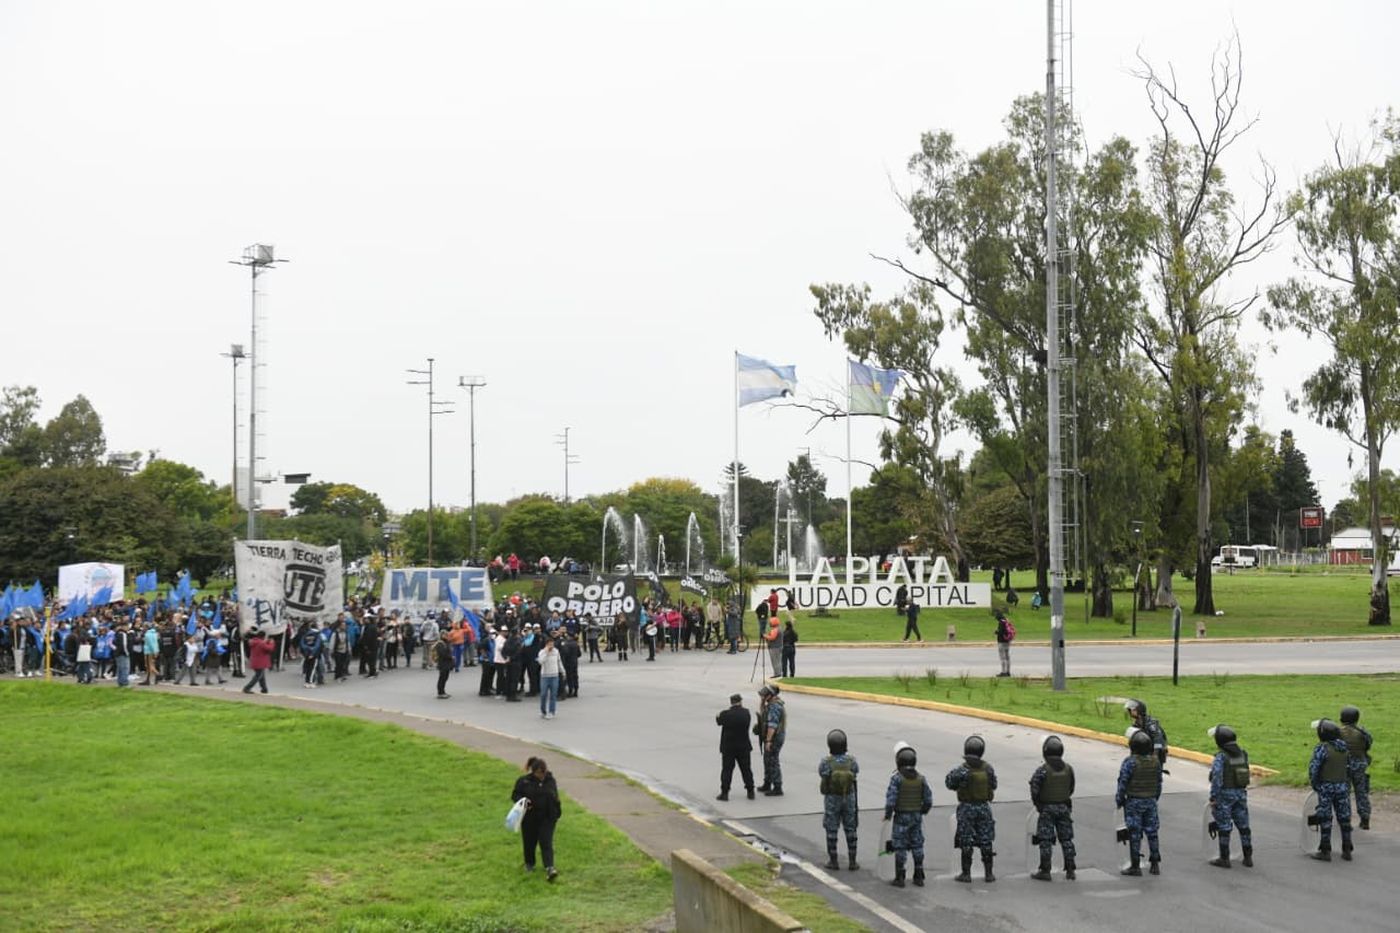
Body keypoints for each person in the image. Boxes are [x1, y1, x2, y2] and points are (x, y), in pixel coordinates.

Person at [946, 735, 998, 882]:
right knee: (986, 839)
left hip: (967, 808)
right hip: (984, 807)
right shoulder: (988, 769)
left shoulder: (962, 770)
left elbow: (949, 783)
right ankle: (989, 873)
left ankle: (966, 873)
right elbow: (993, 785)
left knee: (966, 840)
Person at [1308, 718, 1361, 861]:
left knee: (1325, 818)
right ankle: (1347, 848)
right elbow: (1350, 768)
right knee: (1344, 818)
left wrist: (1315, 784)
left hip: (1326, 787)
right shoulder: (1344, 749)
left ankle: (1325, 850)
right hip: (1342, 787)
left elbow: (1314, 769)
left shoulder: (1322, 748)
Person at [1029, 735, 1077, 881]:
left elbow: (1034, 790)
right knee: (1067, 839)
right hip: (1063, 807)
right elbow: (1071, 788)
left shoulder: (1042, 770)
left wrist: (1039, 805)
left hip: (1047, 809)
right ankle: (1070, 869)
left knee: (1045, 840)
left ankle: (1045, 870)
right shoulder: (1069, 769)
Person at [883, 743, 931, 887]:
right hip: (916, 816)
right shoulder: (921, 779)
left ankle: (900, 877)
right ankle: (918, 874)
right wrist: (921, 811)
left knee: (900, 846)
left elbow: (891, 800)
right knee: (917, 845)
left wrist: (888, 815)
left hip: (901, 817)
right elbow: (928, 799)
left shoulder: (897, 779)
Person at [1116, 729, 1163, 876]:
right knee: (1152, 832)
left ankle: (1135, 866)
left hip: (1134, 801)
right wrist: (1154, 798)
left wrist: (1119, 799)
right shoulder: (1156, 762)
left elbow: (1122, 782)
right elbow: (1159, 783)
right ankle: (1155, 863)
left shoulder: (1130, 762)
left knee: (1135, 833)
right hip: (1150, 800)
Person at [1206, 724, 1253, 868]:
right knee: (1244, 826)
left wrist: (1213, 797)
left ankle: (1224, 858)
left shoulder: (1221, 757)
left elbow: (1216, 778)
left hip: (1225, 795)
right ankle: (1248, 857)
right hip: (1240, 794)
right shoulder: (1242, 753)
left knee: (1224, 827)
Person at [512, 756, 562, 882]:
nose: (542, 775)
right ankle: (529, 864)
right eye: (540, 773)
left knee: (546, 842)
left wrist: (556, 811)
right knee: (529, 841)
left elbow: (555, 796)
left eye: (544, 772)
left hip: (547, 818)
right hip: (529, 818)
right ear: (533, 772)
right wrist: (523, 802)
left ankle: (550, 867)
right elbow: (515, 795)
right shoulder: (524, 782)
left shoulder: (550, 781)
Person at [819, 729, 859, 871]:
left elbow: (822, 774)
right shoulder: (851, 761)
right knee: (851, 828)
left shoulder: (826, 762)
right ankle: (853, 861)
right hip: (849, 797)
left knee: (831, 828)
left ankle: (833, 860)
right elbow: (855, 772)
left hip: (832, 798)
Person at [715, 692, 755, 801]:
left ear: (731, 702)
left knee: (727, 770)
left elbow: (718, 721)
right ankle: (750, 791)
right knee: (746, 769)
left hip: (728, 747)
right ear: (740, 702)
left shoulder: (725, 714)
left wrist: (719, 715)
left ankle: (724, 793)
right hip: (743, 746)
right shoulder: (746, 713)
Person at [1338, 706, 1373, 831]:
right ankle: (1365, 819)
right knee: (1361, 792)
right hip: (1360, 765)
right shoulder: (1362, 732)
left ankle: (1345, 819)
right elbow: (1368, 745)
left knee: (1344, 793)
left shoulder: (1338, 732)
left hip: (1344, 765)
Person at [757, 684, 786, 796]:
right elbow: (763, 714)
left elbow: (772, 726)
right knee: (767, 760)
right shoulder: (770, 704)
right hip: (772, 737)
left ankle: (777, 787)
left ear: (771, 695)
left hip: (774, 738)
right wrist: (762, 702)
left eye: (765, 695)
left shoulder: (775, 707)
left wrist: (768, 741)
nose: (762, 696)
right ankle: (767, 783)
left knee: (773, 761)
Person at [1124, 699, 1169, 767]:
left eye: (1133, 710)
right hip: (1143, 755)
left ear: (1139, 710)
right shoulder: (1137, 723)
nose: (1130, 711)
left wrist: (1154, 758)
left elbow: (1158, 742)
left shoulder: (1151, 724)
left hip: (1154, 756)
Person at [243, 628, 275, 694]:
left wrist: (266, 642)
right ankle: (247, 688)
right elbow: (269, 649)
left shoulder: (254, 641)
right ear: (263, 636)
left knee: (261, 675)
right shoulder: (261, 643)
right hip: (260, 662)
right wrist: (272, 643)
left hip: (255, 661)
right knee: (258, 676)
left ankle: (264, 689)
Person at [538, 636, 561, 719]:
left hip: (554, 675)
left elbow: (559, 662)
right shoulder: (542, 652)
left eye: (552, 644)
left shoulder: (556, 651)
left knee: (553, 695)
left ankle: (551, 711)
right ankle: (543, 710)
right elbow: (541, 661)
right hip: (545, 676)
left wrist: (562, 671)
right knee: (543, 694)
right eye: (549, 644)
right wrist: (547, 652)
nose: (551, 646)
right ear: (546, 644)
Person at [299, 623, 322, 689]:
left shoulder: (305, 634)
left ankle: (306, 682)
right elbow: (318, 645)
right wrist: (312, 652)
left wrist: (306, 650)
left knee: (308, 668)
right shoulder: (317, 635)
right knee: (312, 669)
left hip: (306, 654)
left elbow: (302, 644)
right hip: (314, 654)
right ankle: (311, 682)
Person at [432, 633, 453, 699]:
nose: (447, 636)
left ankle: (443, 691)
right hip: (442, 663)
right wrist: (450, 657)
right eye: (445, 635)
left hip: (446, 663)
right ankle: (440, 692)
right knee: (442, 678)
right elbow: (442, 654)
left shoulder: (447, 642)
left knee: (445, 678)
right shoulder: (440, 644)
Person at [112, 621, 131, 688]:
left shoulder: (117, 634)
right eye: (127, 626)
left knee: (119, 668)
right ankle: (124, 683)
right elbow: (124, 645)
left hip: (117, 653)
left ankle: (120, 682)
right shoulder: (123, 634)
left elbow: (113, 643)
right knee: (125, 668)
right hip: (123, 653)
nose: (128, 628)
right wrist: (127, 653)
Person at [993, 609, 1013, 676]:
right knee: (1007, 657)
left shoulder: (1001, 622)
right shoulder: (1006, 620)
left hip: (1002, 642)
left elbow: (1001, 632)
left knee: (1002, 657)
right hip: (1007, 641)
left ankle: (1003, 672)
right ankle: (1008, 671)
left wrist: (996, 632)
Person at [763, 611, 781, 677]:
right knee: (777, 660)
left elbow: (772, 638)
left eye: (771, 622)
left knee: (775, 661)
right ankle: (777, 673)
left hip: (774, 647)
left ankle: (777, 673)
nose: (770, 623)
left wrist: (765, 636)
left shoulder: (775, 630)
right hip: (776, 647)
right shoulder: (777, 629)